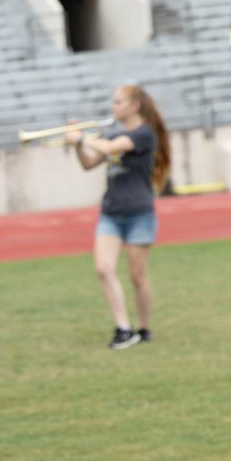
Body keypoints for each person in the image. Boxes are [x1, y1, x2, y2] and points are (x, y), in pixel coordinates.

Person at [65, 85, 170, 349]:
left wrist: (80, 138)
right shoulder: (112, 134)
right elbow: (88, 163)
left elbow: (113, 147)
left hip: (139, 212)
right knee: (103, 268)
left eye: (118, 102)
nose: (113, 106)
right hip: (111, 212)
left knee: (138, 277)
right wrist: (79, 145)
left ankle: (144, 328)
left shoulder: (144, 134)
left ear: (135, 105)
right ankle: (123, 328)